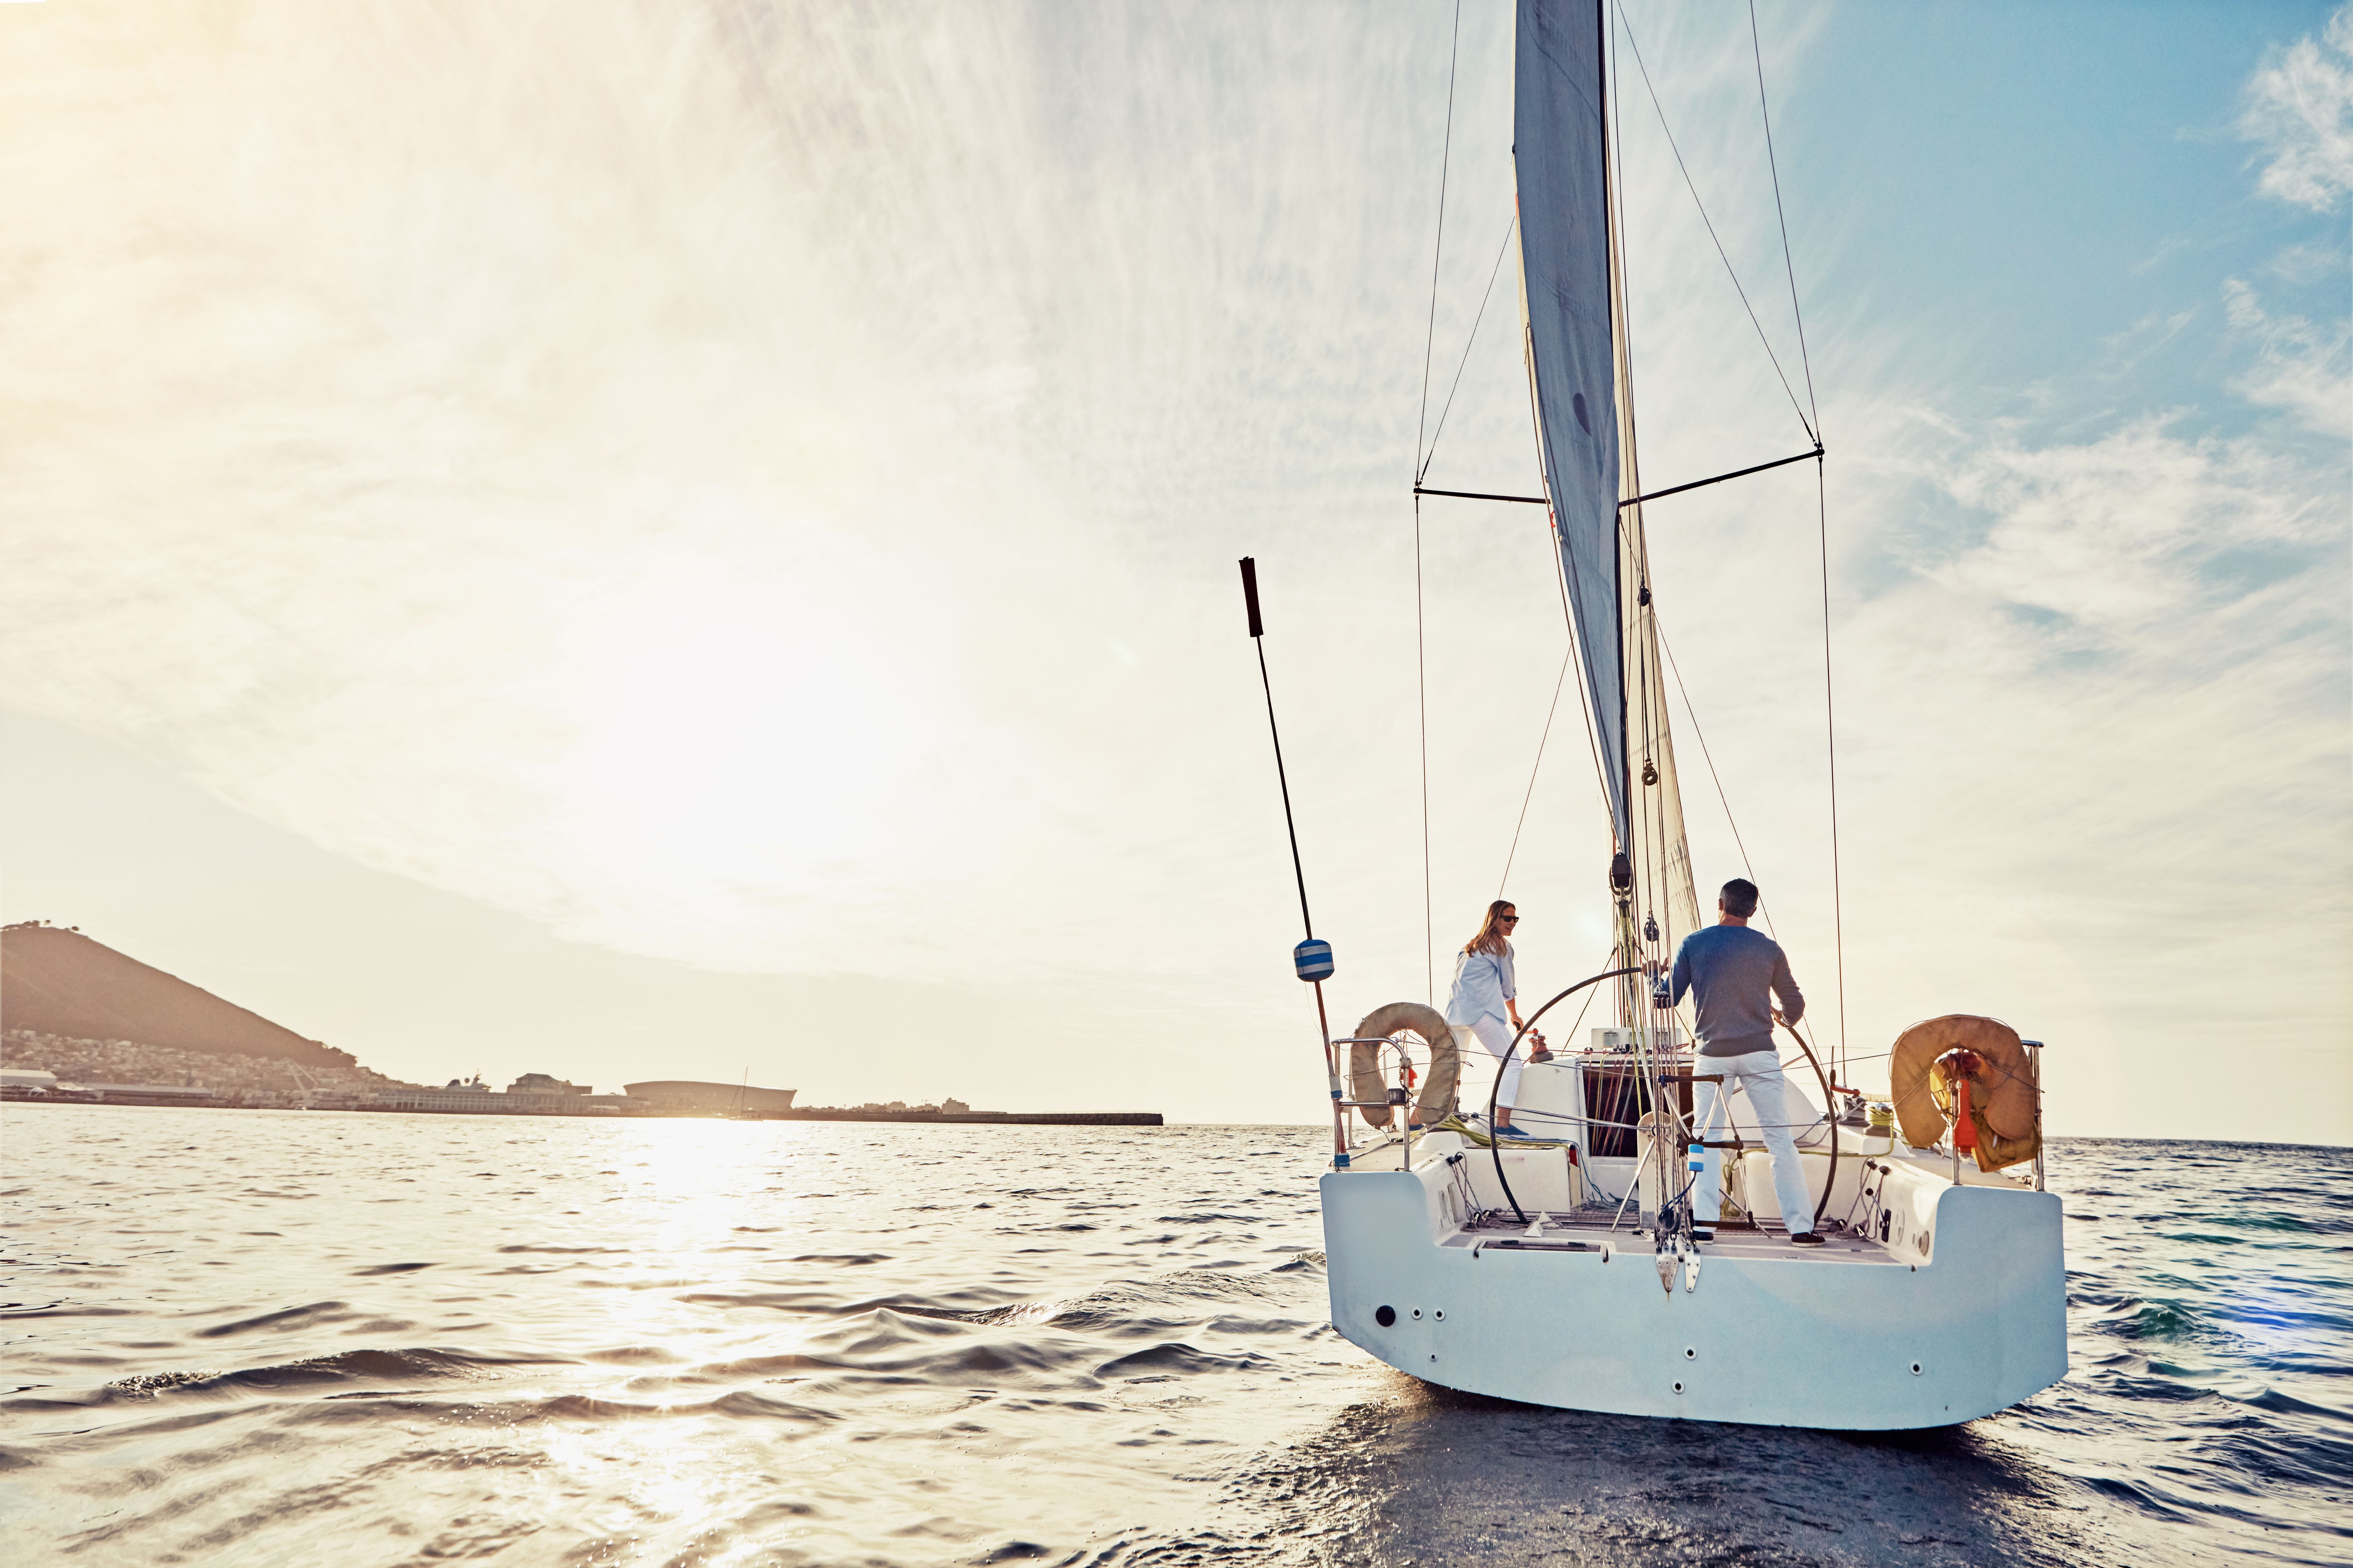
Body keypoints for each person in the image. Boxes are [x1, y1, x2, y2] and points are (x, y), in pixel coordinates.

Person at [1647, 878, 1821, 1245]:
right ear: (1753, 910)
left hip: (1711, 1057)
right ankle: (1801, 1228)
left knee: (1707, 1140)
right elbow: (1796, 1006)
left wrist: (1653, 978)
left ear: (1720, 904)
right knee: (1779, 1140)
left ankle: (1704, 1226)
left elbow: (1666, 999)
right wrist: (1785, 1019)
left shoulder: (1693, 944)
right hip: (1760, 1055)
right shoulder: (1769, 949)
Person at [1447, 900, 1532, 1139]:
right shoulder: (1501, 947)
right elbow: (1508, 988)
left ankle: (1426, 1120)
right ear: (1494, 920)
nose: (1512, 923)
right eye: (1508, 918)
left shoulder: (1468, 948)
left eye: (1516, 919)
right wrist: (1515, 1016)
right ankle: (1503, 1125)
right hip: (1480, 1012)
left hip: (1455, 1015)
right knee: (1512, 1064)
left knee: (1452, 1069)